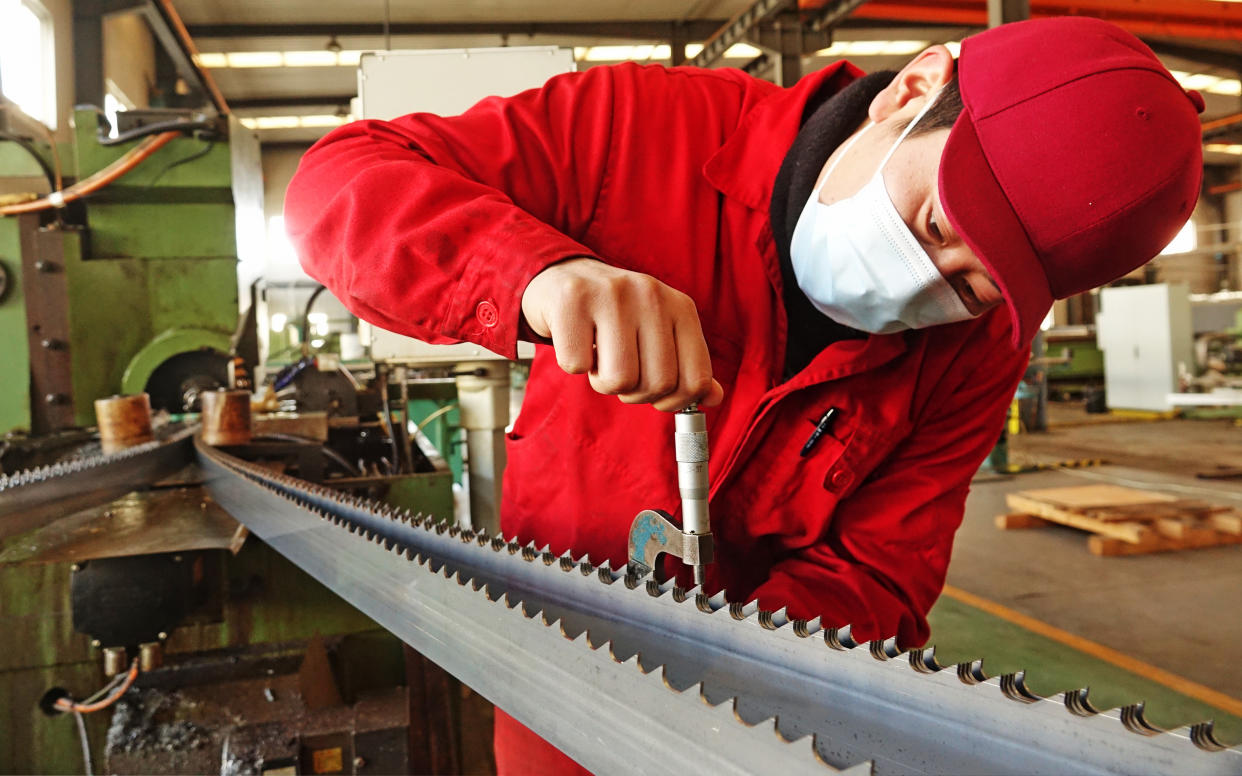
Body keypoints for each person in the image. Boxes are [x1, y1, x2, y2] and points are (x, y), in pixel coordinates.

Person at [285, 15, 1203, 774]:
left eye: (977, 283)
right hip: (552, 671)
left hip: (759, 721)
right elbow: (343, 186)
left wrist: (728, 671)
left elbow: (882, 569)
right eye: (936, 221)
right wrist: (537, 275)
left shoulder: (974, 351)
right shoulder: (636, 129)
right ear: (915, 91)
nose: (932, 277)